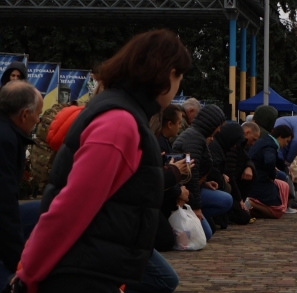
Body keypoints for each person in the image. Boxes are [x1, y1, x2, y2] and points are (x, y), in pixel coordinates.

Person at [16, 29, 191, 292]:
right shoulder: (120, 122)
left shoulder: (120, 113)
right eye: (180, 77)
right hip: (83, 271)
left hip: (91, 264)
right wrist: (27, 274)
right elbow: (71, 207)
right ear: (168, 74)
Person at [0, 82, 43, 285]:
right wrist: (18, 265)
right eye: (38, 114)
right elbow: (4, 206)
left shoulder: (8, 132)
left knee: (41, 209)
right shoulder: (6, 140)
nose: (38, 120)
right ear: (25, 114)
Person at [172, 104, 232, 240]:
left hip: (191, 190)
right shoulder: (195, 139)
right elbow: (191, 174)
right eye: (218, 125)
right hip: (187, 193)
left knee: (224, 201)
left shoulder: (196, 136)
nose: (219, 130)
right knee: (206, 232)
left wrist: (204, 183)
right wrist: (196, 207)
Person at [248, 125, 294, 218]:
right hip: (259, 181)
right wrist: (272, 176)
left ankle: (254, 207)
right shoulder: (270, 145)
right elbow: (269, 161)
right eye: (287, 141)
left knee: (283, 182)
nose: (286, 144)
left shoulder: (265, 140)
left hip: (255, 177)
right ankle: (250, 203)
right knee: (278, 211)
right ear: (280, 136)